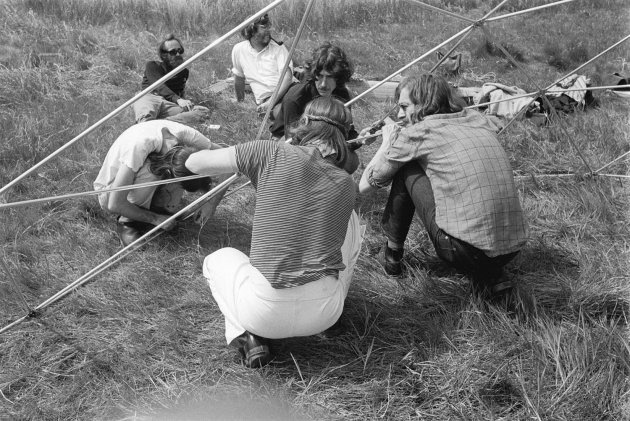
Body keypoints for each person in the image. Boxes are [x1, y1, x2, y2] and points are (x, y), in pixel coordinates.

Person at [186, 97, 364, 368]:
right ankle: (334, 322)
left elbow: (194, 164)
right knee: (351, 222)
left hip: (262, 313)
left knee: (216, 260)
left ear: (303, 122)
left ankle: (247, 337)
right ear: (343, 135)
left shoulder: (268, 152)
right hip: (325, 312)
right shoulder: (346, 183)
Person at [359, 74, 529, 302]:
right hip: (511, 249)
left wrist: (388, 142)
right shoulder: (476, 120)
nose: (399, 114)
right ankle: (491, 275)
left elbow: (365, 185)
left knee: (405, 168)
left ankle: (392, 255)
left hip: (461, 251)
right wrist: (395, 130)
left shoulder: (420, 134)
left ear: (425, 104)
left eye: (404, 106)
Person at [94, 120, 225, 247]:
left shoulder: (190, 137)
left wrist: (212, 202)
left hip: (156, 173)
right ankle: (127, 221)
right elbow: (114, 203)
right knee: (151, 170)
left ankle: (161, 209)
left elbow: (230, 163)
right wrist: (155, 219)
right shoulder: (139, 147)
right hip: (110, 193)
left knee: (171, 173)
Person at [269, 42, 355, 140]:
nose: (323, 84)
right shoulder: (295, 98)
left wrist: (360, 139)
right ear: (313, 73)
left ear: (339, 77)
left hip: (324, 137)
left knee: (351, 155)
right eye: (319, 75)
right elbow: (293, 141)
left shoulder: (342, 95)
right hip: (286, 139)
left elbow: (346, 133)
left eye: (330, 77)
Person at [132, 34, 210, 124]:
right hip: (149, 98)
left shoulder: (184, 72)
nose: (177, 54)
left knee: (202, 112)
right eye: (173, 52)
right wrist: (177, 99)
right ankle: (147, 124)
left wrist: (185, 102)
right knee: (145, 118)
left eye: (180, 51)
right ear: (164, 55)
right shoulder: (153, 66)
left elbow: (180, 93)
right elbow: (158, 85)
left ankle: (160, 123)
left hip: (168, 105)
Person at [231, 13, 294, 117]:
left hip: (290, 90)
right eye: (264, 27)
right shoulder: (239, 50)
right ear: (251, 30)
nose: (268, 30)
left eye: (269, 26)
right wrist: (240, 101)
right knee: (283, 113)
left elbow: (287, 78)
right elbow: (239, 77)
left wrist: (270, 103)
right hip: (269, 97)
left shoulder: (278, 48)